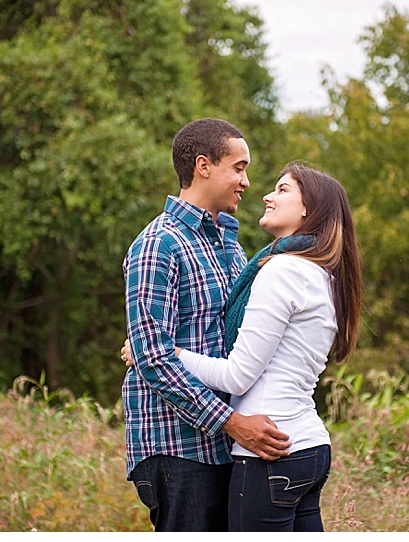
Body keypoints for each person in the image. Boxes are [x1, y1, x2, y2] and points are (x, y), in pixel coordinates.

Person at [125, 161, 362, 531]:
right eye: (239, 168)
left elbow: (237, 374)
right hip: (304, 443)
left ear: (308, 210)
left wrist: (170, 354)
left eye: (283, 189)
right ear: (203, 167)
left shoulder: (276, 268)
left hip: (269, 446)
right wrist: (150, 354)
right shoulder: (321, 274)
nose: (261, 190)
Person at [122, 118, 291, 532]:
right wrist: (233, 423)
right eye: (238, 167)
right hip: (177, 446)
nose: (246, 181)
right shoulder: (158, 244)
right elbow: (155, 358)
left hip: (226, 445)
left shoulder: (230, 247)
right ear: (203, 166)